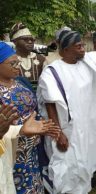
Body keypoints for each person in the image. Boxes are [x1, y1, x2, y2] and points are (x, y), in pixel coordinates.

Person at [37, 30, 96, 194]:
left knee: (85, 162)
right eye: (79, 46)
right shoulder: (52, 71)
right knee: (66, 165)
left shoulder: (88, 60)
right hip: (67, 129)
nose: (83, 49)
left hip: (86, 126)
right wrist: (58, 133)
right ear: (66, 49)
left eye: (83, 45)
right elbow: (50, 104)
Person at [0, 42, 60, 194]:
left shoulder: (21, 82)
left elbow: (33, 109)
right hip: (9, 152)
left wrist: (42, 126)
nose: (17, 67)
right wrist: (20, 130)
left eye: (18, 62)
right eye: (12, 63)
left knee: (32, 185)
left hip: (31, 150)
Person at [10, 22, 47, 90]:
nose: (30, 42)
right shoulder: (8, 60)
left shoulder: (41, 59)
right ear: (15, 42)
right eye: (25, 39)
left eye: (32, 40)